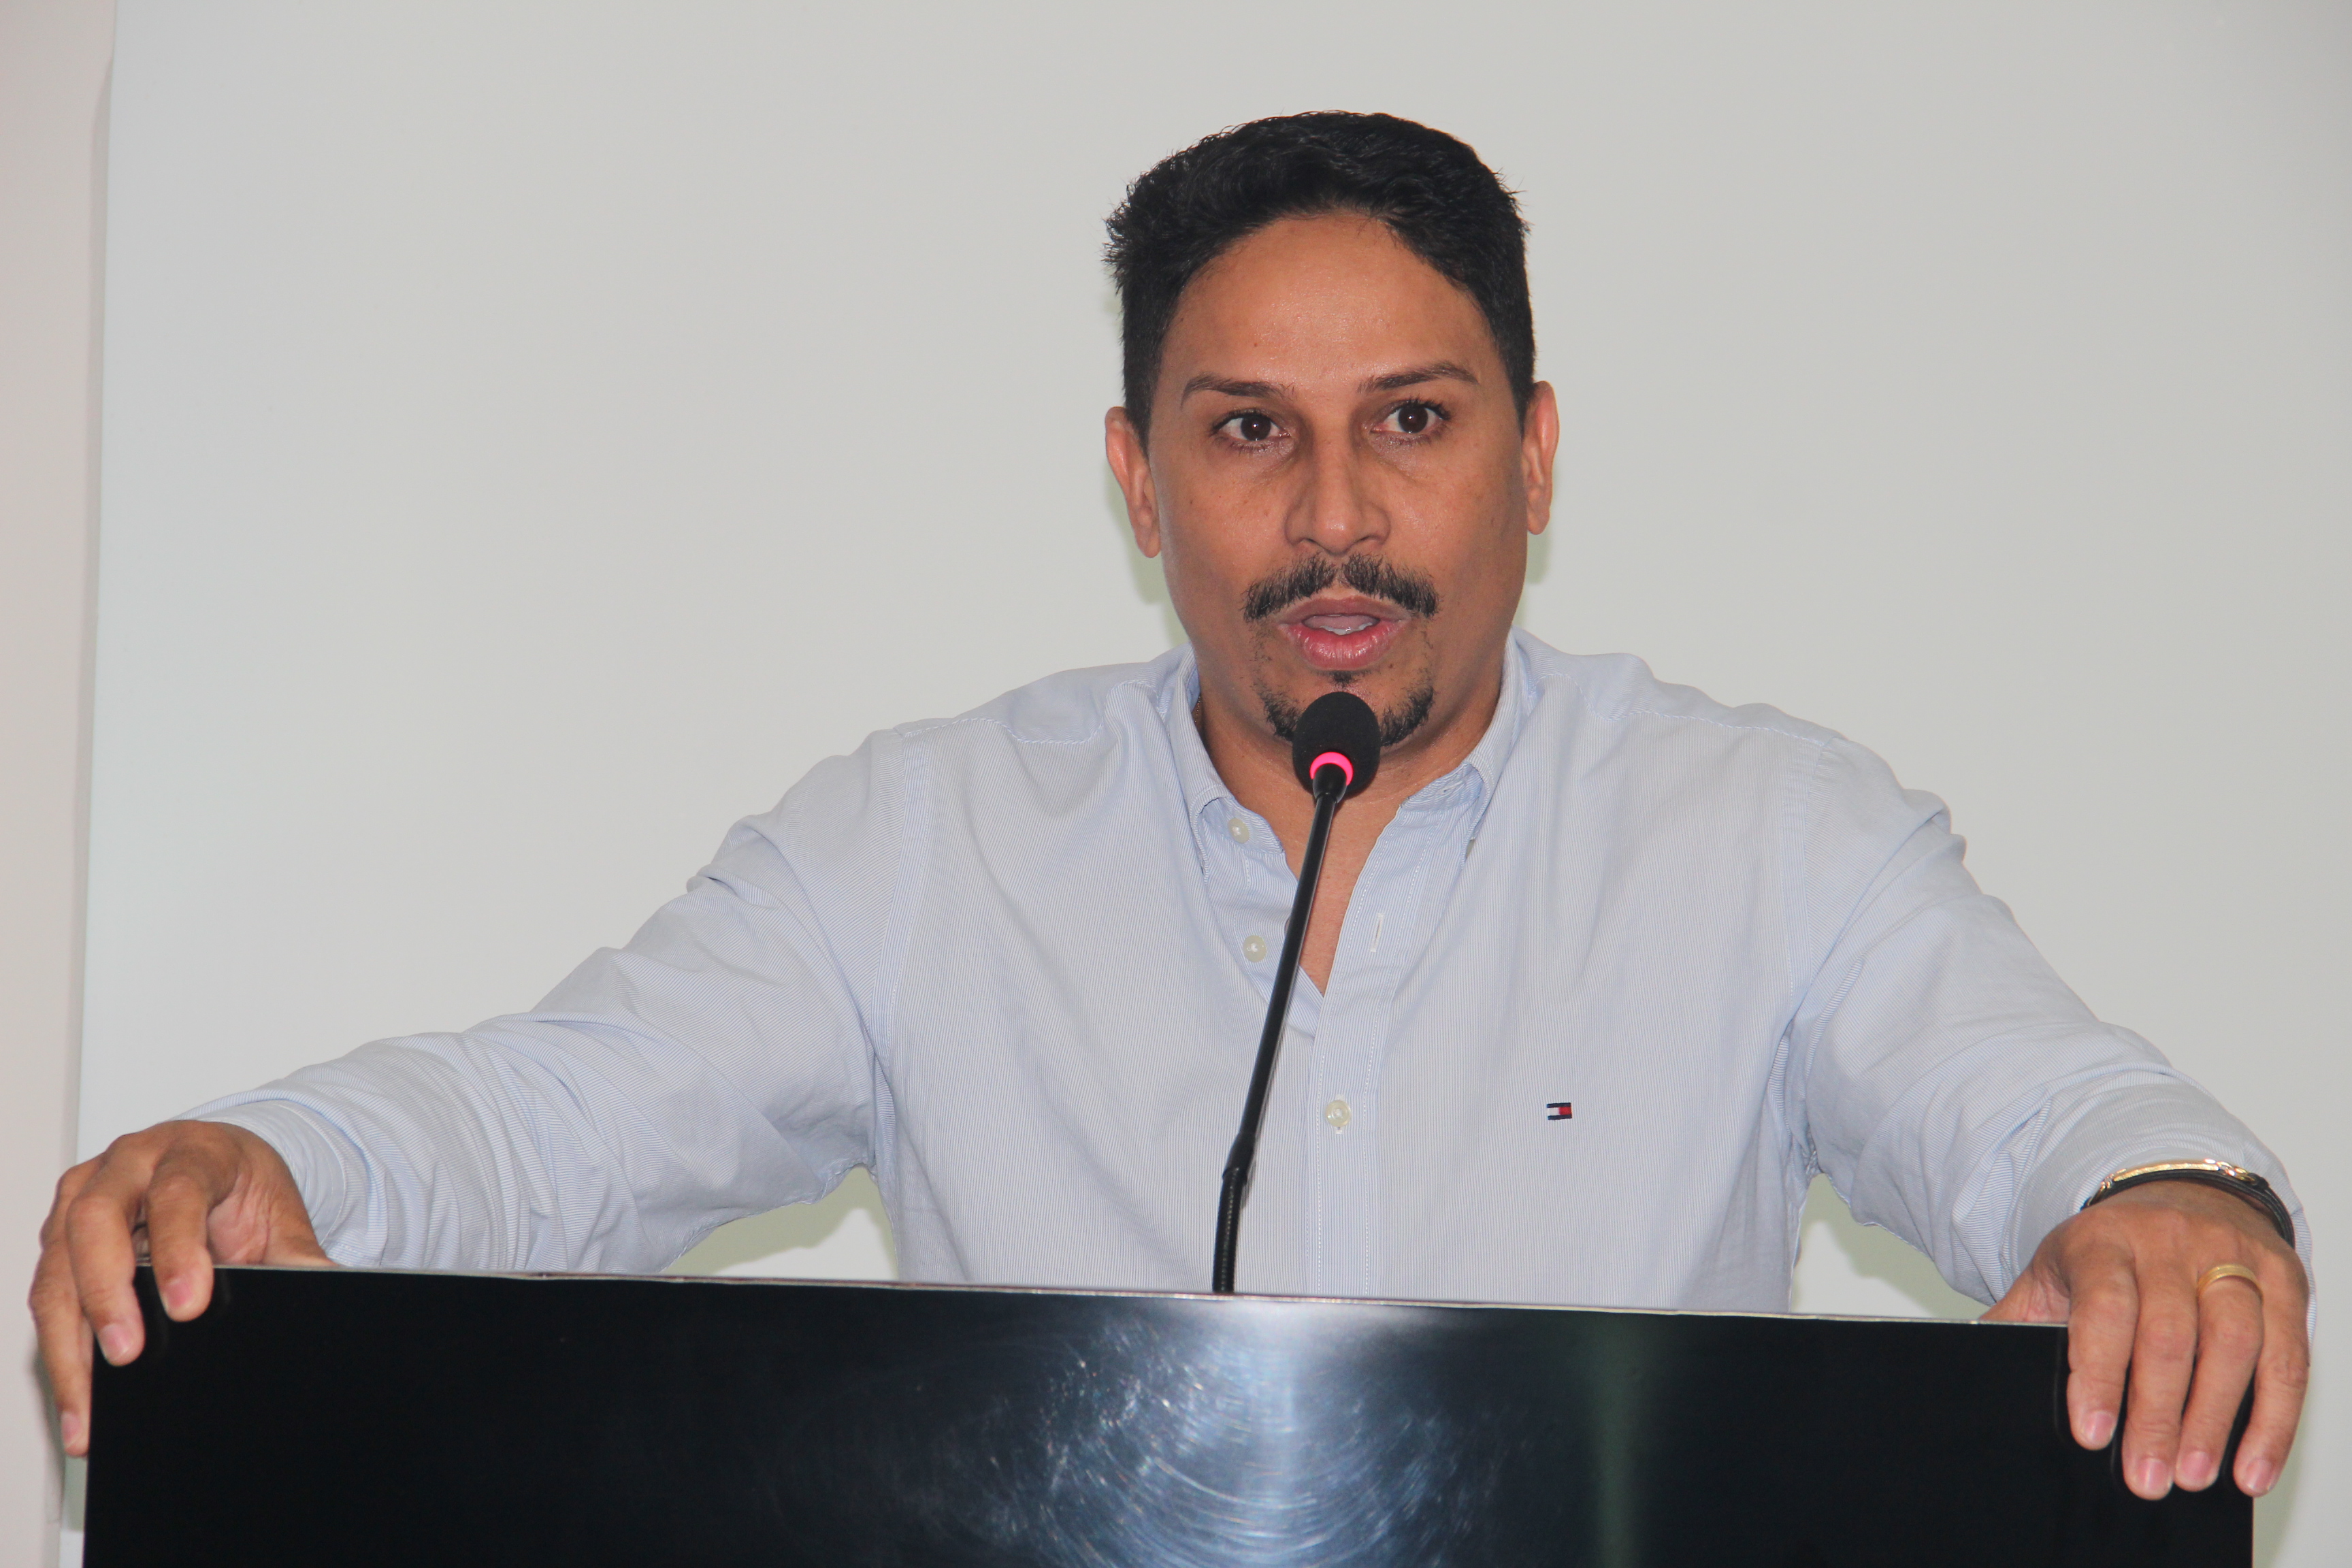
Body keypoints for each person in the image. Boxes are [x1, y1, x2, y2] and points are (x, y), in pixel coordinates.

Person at [35, 112, 2307, 1501]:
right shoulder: (929, 844)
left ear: (1534, 454)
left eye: (1413, 421)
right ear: (1139, 481)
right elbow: (557, 1119)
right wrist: (276, 1163)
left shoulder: (1769, 834)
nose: (1335, 518)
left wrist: (2163, 1198)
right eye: (1246, 432)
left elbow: (2041, 1102)